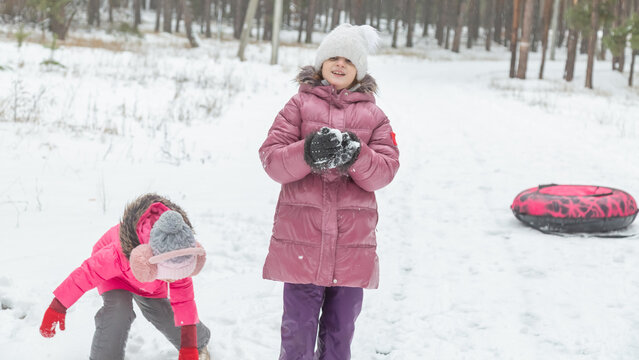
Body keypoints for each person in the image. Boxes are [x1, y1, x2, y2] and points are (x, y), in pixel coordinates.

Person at [258, 23, 400, 360]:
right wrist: (306, 152)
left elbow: (385, 170)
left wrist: (357, 155)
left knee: (340, 334)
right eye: (333, 57)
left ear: (358, 70)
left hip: (351, 248)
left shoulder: (375, 116)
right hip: (302, 243)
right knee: (297, 330)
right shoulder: (298, 106)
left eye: (348, 61)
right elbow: (272, 159)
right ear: (321, 64)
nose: (339, 65)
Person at [39, 193, 211, 360]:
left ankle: (199, 343)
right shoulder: (115, 253)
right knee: (118, 310)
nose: (174, 281)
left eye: (176, 276)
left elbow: (183, 302)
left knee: (161, 312)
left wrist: (190, 346)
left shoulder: (179, 253)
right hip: (116, 276)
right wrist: (58, 306)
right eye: (170, 276)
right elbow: (86, 274)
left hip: (149, 280)